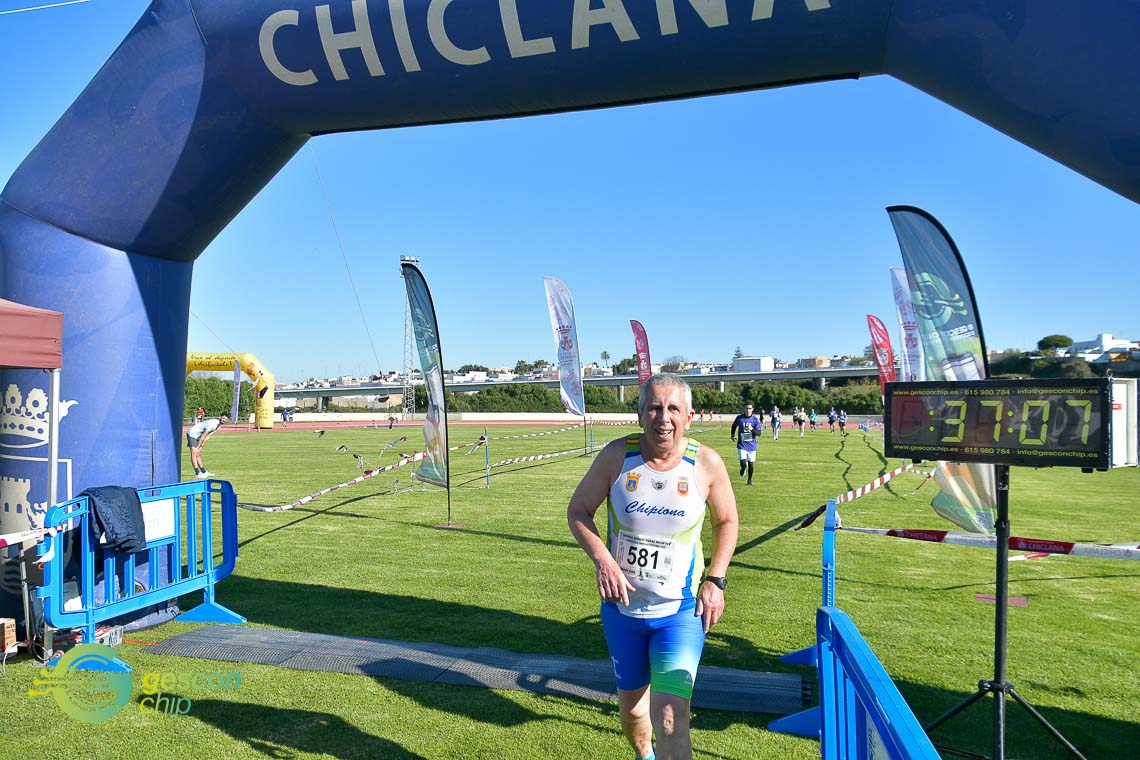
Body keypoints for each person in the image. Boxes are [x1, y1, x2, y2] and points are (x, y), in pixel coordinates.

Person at [568, 374, 738, 760]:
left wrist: (716, 579)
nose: (664, 418)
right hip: (622, 613)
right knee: (633, 715)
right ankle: (645, 755)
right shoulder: (617, 456)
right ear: (640, 413)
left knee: (670, 717)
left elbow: (727, 520)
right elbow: (578, 511)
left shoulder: (705, 463)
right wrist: (604, 560)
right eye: (655, 408)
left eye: (673, 408)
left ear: (689, 416)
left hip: (680, 613)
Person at [729, 402, 762, 486]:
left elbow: (759, 433)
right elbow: (734, 426)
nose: (748, 410)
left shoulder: (755, 420)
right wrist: (732, 435)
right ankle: (743, 467)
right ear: (744, 408)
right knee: (743, 463)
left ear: (752, 409)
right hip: (742, 445)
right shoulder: (739, 418)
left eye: (749, 408)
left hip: (752, 446)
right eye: (746, 408)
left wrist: (752, 429)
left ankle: (749, 480)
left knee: (751, 464)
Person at [186, 414, 228, 478]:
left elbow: (207, 436)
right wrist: (197, 447)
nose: (224, 420)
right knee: (194, 453)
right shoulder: (213, 423)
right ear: (220, 417)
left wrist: (201, 447)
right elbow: (204, 435)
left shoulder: (218, 426)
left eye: (226, 419)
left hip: (198, 436)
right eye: (223, 418)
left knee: (198, 453)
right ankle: (197, 473)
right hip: (193, 434)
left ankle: (204, 472)